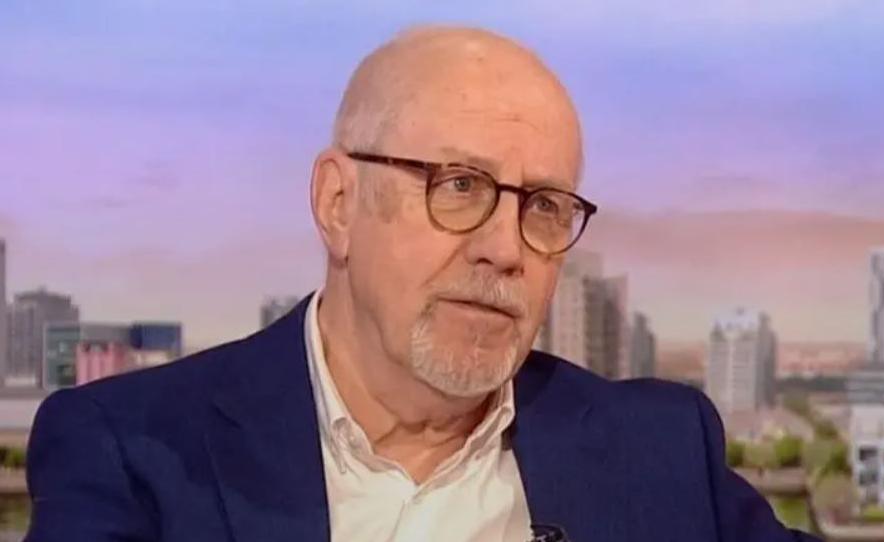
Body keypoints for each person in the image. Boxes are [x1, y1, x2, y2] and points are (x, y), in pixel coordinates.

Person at [25, 26, 821, 542]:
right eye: (459, 186)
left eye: (543, 206)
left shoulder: (660, 448)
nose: (504, 249)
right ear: (338, 204)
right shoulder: (129, 448)